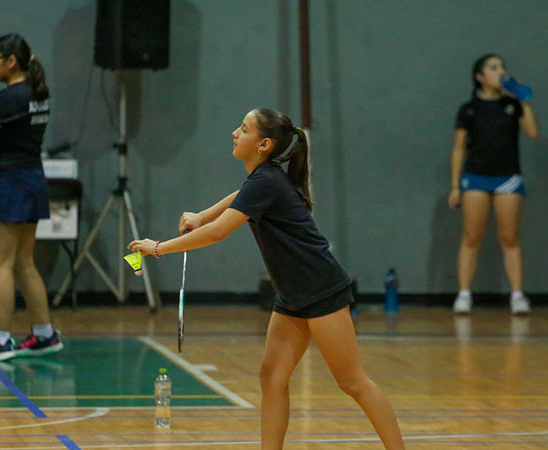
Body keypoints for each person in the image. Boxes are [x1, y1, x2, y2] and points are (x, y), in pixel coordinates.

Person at [128, 109, 405, 449]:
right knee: (272, 377)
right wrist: (202, 214)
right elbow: (238, 198)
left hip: (320, 290)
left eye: (243, 129)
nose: (234, 133)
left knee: (352, 382)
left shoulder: (267, 181)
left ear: (263, 145)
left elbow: (217, 233)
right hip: (292, 295)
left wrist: (158, 248)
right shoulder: (264, 179)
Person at [0, 33, 62, 361]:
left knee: (1, 264)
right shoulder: (38, 94)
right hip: (32, 180)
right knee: (23, 262)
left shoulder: (9, 98)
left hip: (7, 181)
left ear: (11, 61)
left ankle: (0, 340)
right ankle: (45, 334)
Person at [448, 54, 539, 315]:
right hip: (475, 178)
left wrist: (525, 100)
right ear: (480, 77)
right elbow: (458, 149)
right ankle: (464, 294)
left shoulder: (514, 105)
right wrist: (456, 186)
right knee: (471, 236)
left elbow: (532, 132)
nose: (501, 72)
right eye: (494, 67)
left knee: (510, 238)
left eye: (503, 68)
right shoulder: (469, 109)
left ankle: (517, 296)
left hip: (508, 178)